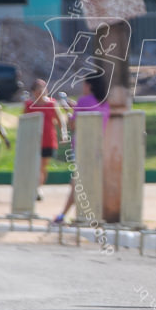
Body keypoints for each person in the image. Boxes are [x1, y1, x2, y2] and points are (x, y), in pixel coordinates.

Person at [54, 75, 110, 224]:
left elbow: (73, 125)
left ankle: (63, 214)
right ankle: (70, 213)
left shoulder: (83, 101)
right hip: (98, 146)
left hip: (82, 147)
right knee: (86, 181)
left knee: (77, 182)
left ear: (89, 85)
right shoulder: (105, 103)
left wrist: (69, 111)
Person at [24, 78, 64, 201]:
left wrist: (63, 134)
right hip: (33, 139)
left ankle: (38, 188)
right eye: (38, 89)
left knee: (42, 165)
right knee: (34, 165)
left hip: (48, 139)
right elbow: (24, 120)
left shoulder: (52, 103)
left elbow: (60, 119)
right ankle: (33, 187)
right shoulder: (29, 105)